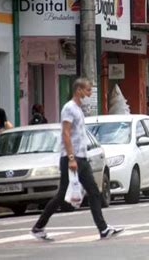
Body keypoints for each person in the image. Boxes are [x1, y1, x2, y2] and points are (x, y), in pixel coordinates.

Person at [31, 78, 123, 240]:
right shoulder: (69, 108)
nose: (90, 92)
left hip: (81, 158)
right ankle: (38, 226)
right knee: (62, 195)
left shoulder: (78, 109)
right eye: (88, 90)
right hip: (71, 158)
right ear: (78, 90)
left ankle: (103, 229)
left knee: (94, 192)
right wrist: (71, 158)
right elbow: (65, 133)